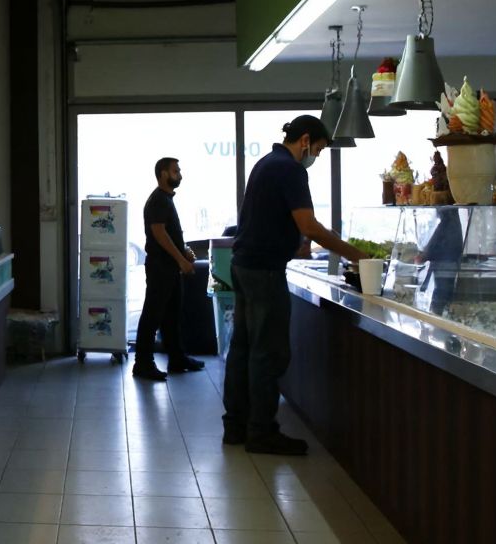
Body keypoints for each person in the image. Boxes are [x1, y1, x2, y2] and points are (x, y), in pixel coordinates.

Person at [223, 115, 365, 455]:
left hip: (244, 265)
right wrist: (355, 254)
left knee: (243, 348)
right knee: (268, 352)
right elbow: (309, 225)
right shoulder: (290, 169)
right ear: (305, 141)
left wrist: (295, 240)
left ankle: (236, 426)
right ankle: (262, 432)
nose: (315, 156)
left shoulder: (266, 163)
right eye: (318, 149)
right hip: (265, 272)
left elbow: (277, 221)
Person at [132, 157, 206, 381]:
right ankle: (143, 363)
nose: (180, 175)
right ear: (163, 174)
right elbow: (159, 233)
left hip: (169, 267)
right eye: (175, 171)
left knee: (172, 315)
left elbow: (169, 233)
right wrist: (181, 260)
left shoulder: (166, 199)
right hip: (160, 267)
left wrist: (183, 251)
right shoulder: (158, 200)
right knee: (152, 315)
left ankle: (177, 358)